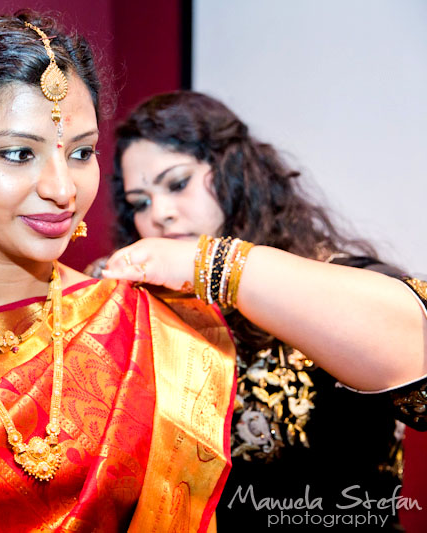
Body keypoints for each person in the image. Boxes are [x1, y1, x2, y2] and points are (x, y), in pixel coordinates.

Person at [0, 13, 426, 533]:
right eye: (18, 153)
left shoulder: (139, 315)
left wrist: (203, 261)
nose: (60, 187)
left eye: (79, 152)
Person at [101, 90, 427, 532]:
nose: (158, 214)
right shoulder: (147, 312)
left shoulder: (332, 280)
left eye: (177, 183)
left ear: (237, 173)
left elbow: (414, 346)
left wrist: (208, 264)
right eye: (141, 202)